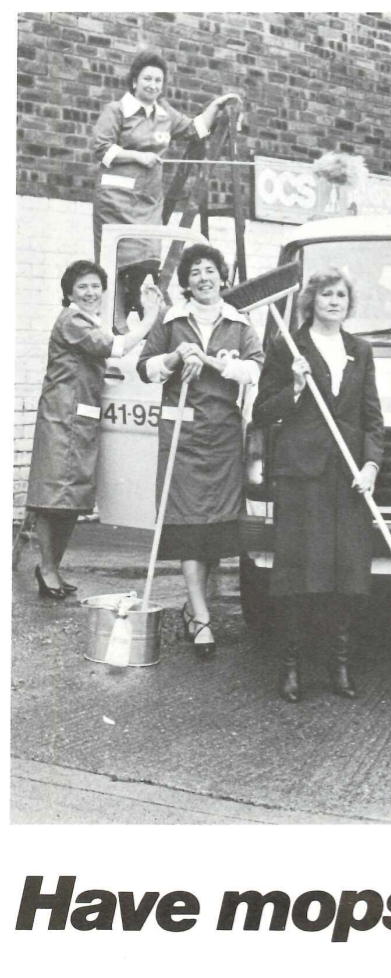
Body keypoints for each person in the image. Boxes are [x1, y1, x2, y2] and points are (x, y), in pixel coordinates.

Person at [252, 268, 384, 702]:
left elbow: (372, 417)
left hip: (347, 476)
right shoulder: (287, 346)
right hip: (301, 474)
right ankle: (291, 667)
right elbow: (261, 412)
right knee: (297, 572)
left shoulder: (360, 350)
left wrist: (371, 465)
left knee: (345, 572)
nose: (334, 301)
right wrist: (294, 386)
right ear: (311, 301)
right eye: (326, 294)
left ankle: (339, 666)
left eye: (340, 295)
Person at [137, 243, 263, 656]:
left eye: (210, 270)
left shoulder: (239, 323)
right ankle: (202, 617)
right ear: (186, 283)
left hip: (223, 437)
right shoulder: (172, 320)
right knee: (188, 525)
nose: (204, 278)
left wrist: (207, 360)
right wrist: (177, 356)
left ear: (222, 277)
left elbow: (254, 370)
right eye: (195, 272)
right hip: (182, 436)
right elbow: (145, 369)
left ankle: (195, 608)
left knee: (214, 528)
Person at [26, 260, 163, 598]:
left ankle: (53, 568)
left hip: (80, 421)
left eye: (95, 286)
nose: (90, 292)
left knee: (72, 499)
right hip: (60, 420)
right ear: (69, 292)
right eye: (82, 286)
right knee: (52, 499)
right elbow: (114, 348)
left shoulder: (89, 321)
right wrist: (150, 317)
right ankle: (47, 568)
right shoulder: (72, 320)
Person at [91, 49, 239, 317]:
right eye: (147, 79)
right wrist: (137, 156)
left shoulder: (164, 114)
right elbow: (101, 148)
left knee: (148, 258)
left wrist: (216, 106)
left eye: (158, 80)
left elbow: (195, 129)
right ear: (134, 81)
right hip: (116, 199)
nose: (152, 85)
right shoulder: (116, 110)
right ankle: (117, 317)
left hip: (148, 200)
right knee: (118, 261)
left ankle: (139, 313)